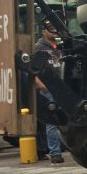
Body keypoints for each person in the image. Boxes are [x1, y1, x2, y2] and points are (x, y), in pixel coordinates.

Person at [33, 20, 65, 164]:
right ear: (43, 31)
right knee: (51, 122)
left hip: (62, 86)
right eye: (50, 29)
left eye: (54, 29)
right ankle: (55, 152)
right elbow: (31, 70)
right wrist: (40, 85)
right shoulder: (38, 48)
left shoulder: (60, 46)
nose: (54, 32)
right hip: (48, 88)